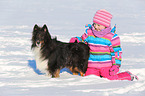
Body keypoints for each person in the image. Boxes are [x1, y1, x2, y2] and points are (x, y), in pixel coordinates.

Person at [69, 9, 138, 81]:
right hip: (92, 65)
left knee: (110, 78)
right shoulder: (89, 33)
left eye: (98, 25)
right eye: (94, 24)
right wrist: (77, 40)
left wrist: (116, 65)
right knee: (89, 78)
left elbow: (117, 52)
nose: (95, 27)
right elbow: (83, 40)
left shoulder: (112, 37)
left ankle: (128, 75)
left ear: (105, 25)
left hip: (106, 66)